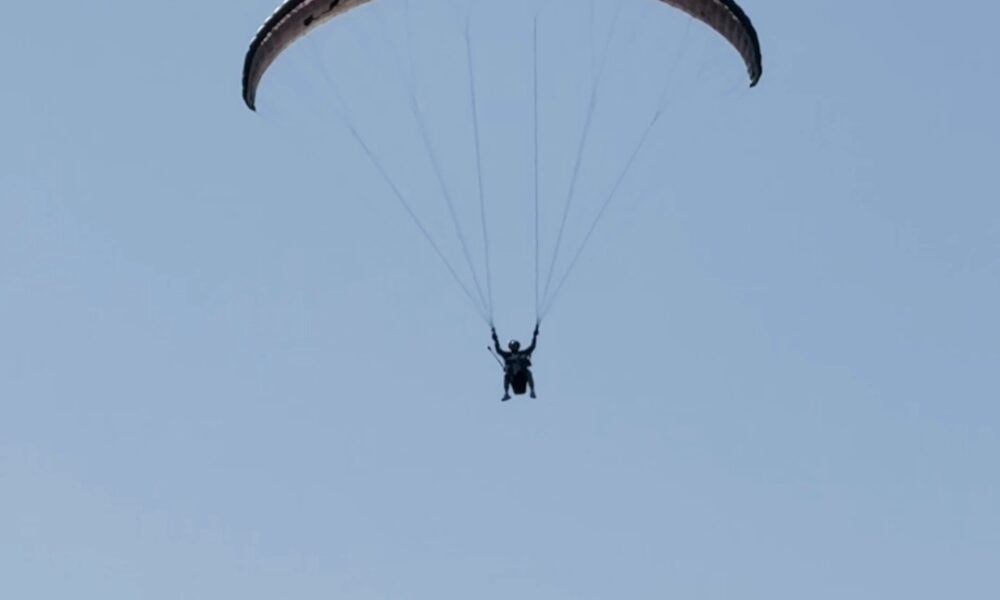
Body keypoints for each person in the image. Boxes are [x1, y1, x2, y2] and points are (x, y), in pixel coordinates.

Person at [491, 322, 539, 401]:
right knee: (506, 376)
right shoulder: (507, 355)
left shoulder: (523, 353)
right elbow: (498, 350)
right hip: (513, 378)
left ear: (518, 346)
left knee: (528, 373)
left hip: (522, 376)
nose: (514, 347)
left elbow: (532, 346)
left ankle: (532, 391)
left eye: (515, 345)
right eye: (512, 346)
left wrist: (535, 335)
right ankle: (506, 393)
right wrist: (495, 338)